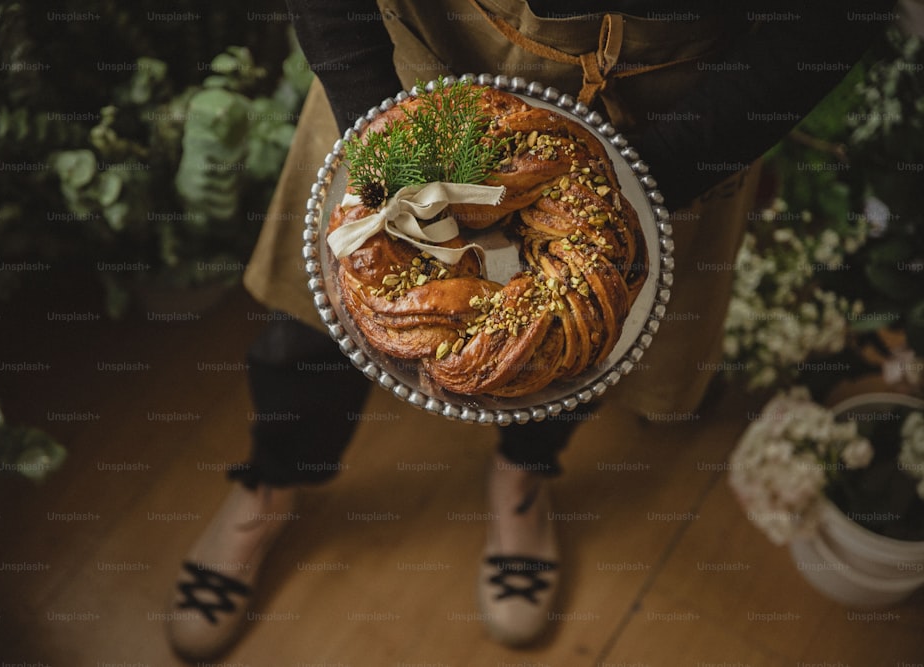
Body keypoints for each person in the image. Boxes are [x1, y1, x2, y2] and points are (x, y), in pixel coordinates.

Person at [166, 0, 895, 661]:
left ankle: (523, 472)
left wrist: (648, 182)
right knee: (316, 323)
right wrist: (375, 123)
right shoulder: (393, 106)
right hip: (419, 69)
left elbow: (832, 19)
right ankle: (272, 478)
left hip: (677, 112)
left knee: (579, 346)